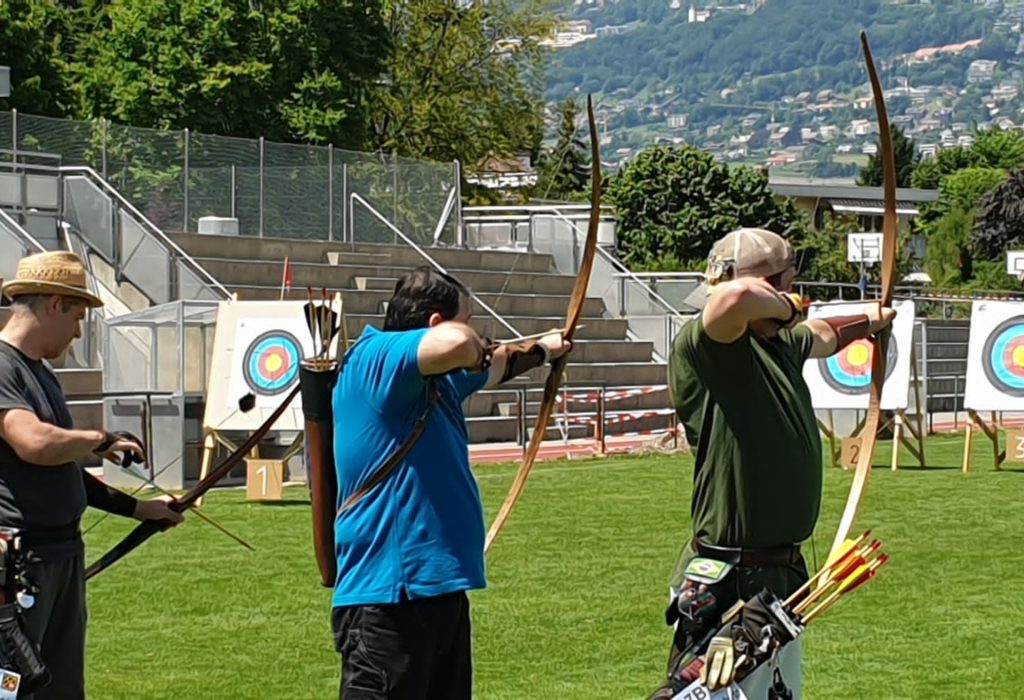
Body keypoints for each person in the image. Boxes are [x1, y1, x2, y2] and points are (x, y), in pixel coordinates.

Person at [650, 228, 895, 699]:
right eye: (785, 284)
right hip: (732, 583)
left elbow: (823, 335)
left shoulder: (780, 344)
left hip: (783, 578)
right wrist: (788, 306)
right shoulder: (709, 346)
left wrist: (873, 319)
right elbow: (734, 298)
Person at [329, 266, 572, 699]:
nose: (475, 333)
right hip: (388, 600)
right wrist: (473, 345)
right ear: (437, 323)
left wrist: (546, 349)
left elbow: (499, 364)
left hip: (440, 594)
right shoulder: (374, 358)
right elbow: (461, 345)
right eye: (469, 319)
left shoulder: (432, 381)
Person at [0, 251, 184, 700]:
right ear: (54, 305)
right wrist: (99, 439)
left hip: (60, 553)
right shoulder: (2, 367)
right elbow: (36, 444)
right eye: (77, 317)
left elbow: (64, 469)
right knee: (14, 687)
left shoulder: (41, 374)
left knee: (61, 690)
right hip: (21, 563)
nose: (79, 331)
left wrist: (143, 509)